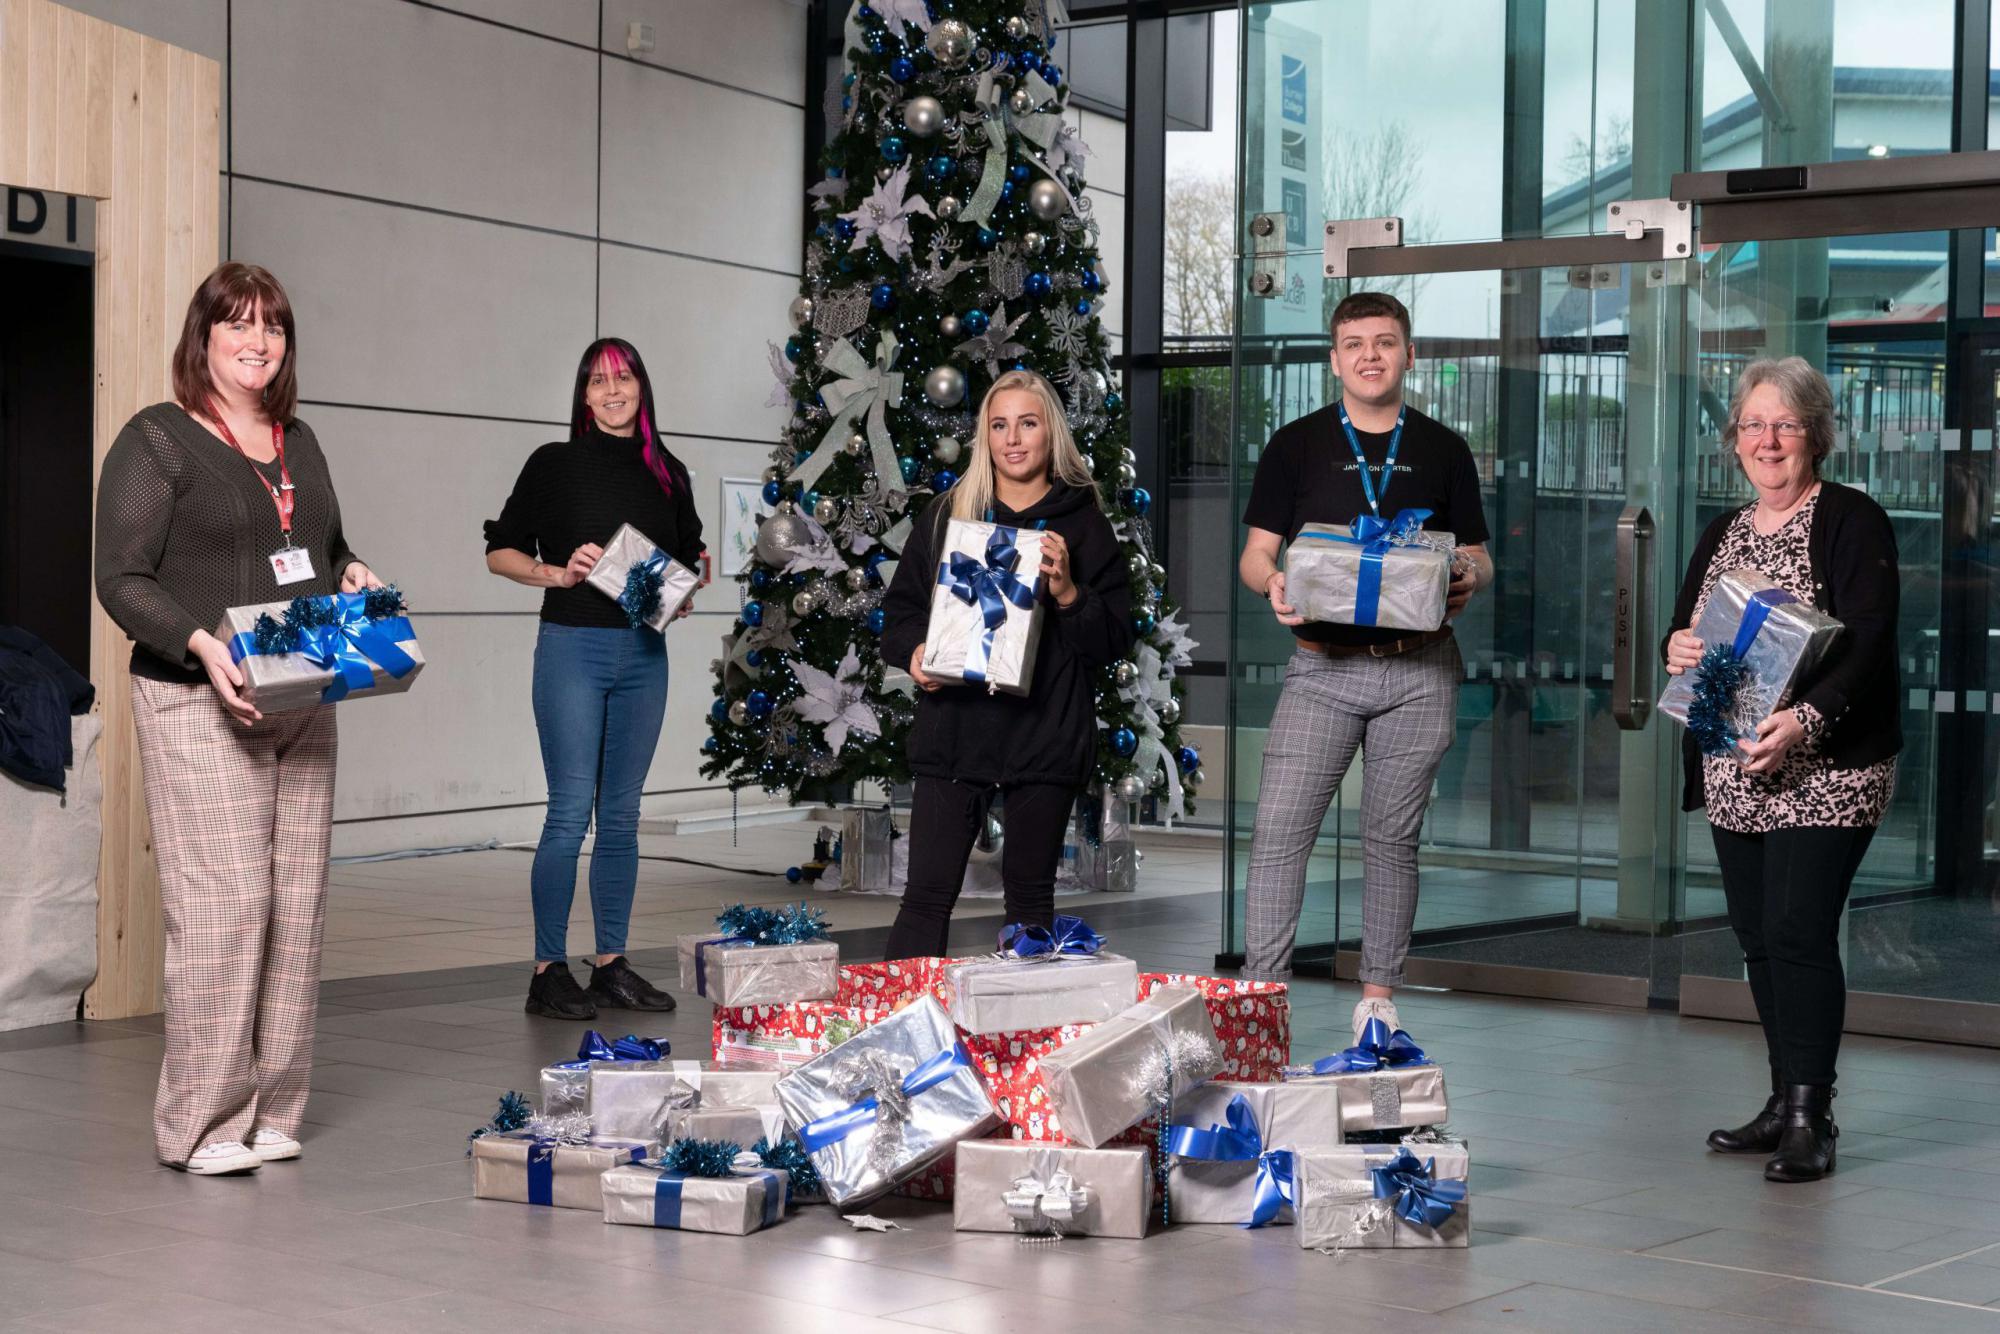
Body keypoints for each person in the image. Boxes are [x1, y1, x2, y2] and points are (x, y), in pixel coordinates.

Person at [96, 262, 387, 1175]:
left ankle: (274, 1110)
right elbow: (121, 577)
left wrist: (352, 572)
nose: (259, 342)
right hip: (200, 694)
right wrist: (198, 642)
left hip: (303, 683)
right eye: (239, 325)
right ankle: (204, 1125)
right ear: (205, 337)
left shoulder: (301, 439)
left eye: (274, 326)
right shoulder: (158, 440)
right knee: (225, 908)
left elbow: (321, 545)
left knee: (296, 907)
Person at [1236, 290, 1493, 1043]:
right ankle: (1261, 1002)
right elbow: (1255, 553)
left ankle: (1377, 1005)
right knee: (1279, 835)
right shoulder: (1295, 445)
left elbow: (1479, 554)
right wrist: (1271, 582)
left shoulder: (1445, 448)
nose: (1370, 356)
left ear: (1409, 354)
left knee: (1391, 840)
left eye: (1384, 342)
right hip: (1321, 669)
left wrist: (1470, 576)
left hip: (1421, 670)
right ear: (1335, 359)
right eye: (1354, 344)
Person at [1666, 356, 1900, 1183]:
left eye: (1786, 424)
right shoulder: (1722, 531)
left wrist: (1803, 720)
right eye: (1754, 424)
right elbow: (1684, 635)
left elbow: (1869, 641)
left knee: (1799, 930)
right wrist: (1675, 647)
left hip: (1826, 764)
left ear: (1816, 435)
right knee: (1759, 937)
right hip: (1735, 763)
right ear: (1734, 439)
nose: (1768, 440)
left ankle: (1811, 1116)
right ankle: (1780, 1099)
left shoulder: (1852, 519)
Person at [878, 369, 1134, 958]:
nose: (1012, 439)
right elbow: (901, 614)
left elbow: (1113, 640)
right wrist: (915, 655)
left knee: (1030, 900)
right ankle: (903, 1015)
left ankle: (1025, 1016)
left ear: (1051, 434)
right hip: (953, 731)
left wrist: (1068, 592)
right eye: (998, 425)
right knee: (924, 898)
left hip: (1045, 736)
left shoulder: (1084, 524)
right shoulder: (947, 515)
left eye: (1027, 423)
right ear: (984, 436)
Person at [485, 338, 702, 1020]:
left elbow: (690, 557)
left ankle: (610, 965)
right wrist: (558, 572)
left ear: (641, 386)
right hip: (572, 649)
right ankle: (548, 970)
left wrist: (683, 592)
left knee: (623, 815)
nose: (613, 391)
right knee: (569, 811)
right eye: (599, 381)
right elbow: (500, 552)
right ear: (583, 394)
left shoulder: (669, 472)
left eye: (624, 378)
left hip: (643, 656)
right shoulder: (553, 464)